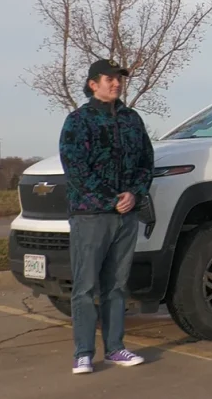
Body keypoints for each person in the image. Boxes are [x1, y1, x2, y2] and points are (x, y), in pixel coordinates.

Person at [59, 59, 155, 374]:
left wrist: (135, 194)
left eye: (119, 79)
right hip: (90, 216)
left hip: (125, 216)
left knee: (116, 286)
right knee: (85, 287)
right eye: (109, 78)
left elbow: (145, 161)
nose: (116, 83)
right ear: (93, 83)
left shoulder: (132, 120)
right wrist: (109, 199)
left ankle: (116, 348)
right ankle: (83, 353)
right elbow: (76, 170)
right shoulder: (78, 121)